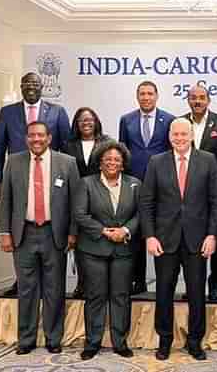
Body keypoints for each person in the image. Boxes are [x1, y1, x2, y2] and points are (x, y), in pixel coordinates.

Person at [140, 118, 217, 361]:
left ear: (192, 136)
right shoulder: (156, 162)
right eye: (175, 134)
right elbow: (147, 202)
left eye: (184, 134)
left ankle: (195, 341)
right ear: (169, 137)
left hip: (197, 240)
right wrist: (150, 236)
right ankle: (165, 340)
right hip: (165, 240)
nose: (179, 138)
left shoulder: (208, 160)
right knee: (164, 291)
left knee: (197, 293)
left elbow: (215, 202)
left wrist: (212, 235)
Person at [0, 121, 80, 355]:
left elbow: (76, 203)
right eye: (32, 135)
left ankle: (53, 338)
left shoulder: (67, 163)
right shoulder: (14, 162)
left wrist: (73, 233)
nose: (36, 139)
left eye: (41, 135)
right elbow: (7, 201)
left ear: (49, 138)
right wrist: (5, 232)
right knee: (26, 289)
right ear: (26, 139)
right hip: (23, 233)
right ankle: (26, 339)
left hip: (54, 234)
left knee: (54, 289)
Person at [0, 72, 71, 295]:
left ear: (42, 86)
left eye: (35, 83)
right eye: (26, 84)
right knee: (20, 230)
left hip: (49, 180)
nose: (31, 87)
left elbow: (66, 146)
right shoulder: (8, 112)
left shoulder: (57, 112)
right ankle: (22, 280)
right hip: (17, 179)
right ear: (20, 87)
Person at [74, 141, 140, 360]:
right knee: (95, 296)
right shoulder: (86, 183)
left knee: (121, 296)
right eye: (108, 159)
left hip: (124, 249)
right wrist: (104, 231)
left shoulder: (135, 184)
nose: (112, 162)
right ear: (100, 163)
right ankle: (92, 343)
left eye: (117, 160)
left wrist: (125, 230)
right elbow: (80, 214)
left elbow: (141, 214)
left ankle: (120, 342)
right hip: (93, 250)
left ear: (123, 164)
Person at [119, 80, 175, 295]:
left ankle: (163, 282)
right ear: (137, 96)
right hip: (134, 184)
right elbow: (123, 152)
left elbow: (171, 153)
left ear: (156, 96)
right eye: (142, 93)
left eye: (150, 93)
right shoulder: (126, 120)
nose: (146, 97)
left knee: (160, 231)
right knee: (136, 233)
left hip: (161, 185)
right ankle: (138, 280)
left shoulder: (169, 119)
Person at [182, 85, 217, 301]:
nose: (197, 101)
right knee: (190, 241)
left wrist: (209, 182)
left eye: (202, 98)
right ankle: (193, 286)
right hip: (186, 193)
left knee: (215, 239)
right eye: (193, 98)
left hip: (214, 192)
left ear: (208, 100)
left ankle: (214, 285)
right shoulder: (181, 123)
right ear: (188, 101)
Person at [62, 107, 110, 299]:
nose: (86, 123)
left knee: (102, 241)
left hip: (102, 198)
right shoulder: (67, 145)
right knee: (81, 245)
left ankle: (105, 286)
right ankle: (82, 284)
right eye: (81, 120)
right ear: (76, 124)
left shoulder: (107, 142)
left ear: (96, 121)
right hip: (77, 199)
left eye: (90, 119)